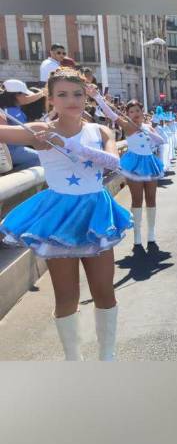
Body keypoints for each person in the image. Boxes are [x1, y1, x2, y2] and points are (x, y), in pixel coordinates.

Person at [0, 68, 132, 360]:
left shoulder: (100, 130)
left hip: (95, 214)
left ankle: (107, 358)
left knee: (104, 291)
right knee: (66, 295)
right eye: (62, 94)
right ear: (51, 99)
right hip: (59, 217)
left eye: (77, 94)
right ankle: (74, 361)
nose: (71, 100)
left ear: (86, 96)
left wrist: (67, 144)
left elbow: (113, 161)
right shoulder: (38, 131)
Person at [96, 95, 166, 250]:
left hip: (149, 163)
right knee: (137, 199)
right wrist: (97, 96)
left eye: (138, 110)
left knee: (151, 198)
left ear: (142, 112)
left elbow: (162, 141)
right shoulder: (127, 126)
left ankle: (151, 234)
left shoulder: (148, 126)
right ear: (127, 114)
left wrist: (150, 133)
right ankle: (137, 236)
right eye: (132, 111)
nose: (136, 113)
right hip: (134, 163)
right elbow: (110, 113)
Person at [0, 79, 47, 169]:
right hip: (11, 151)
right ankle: (13, 174)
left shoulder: (10, 107)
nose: (27, 96)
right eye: (25, 94)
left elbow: (28, 100)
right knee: (41, 158)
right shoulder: (10, 112)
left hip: (16, 147)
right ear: (17, 95)